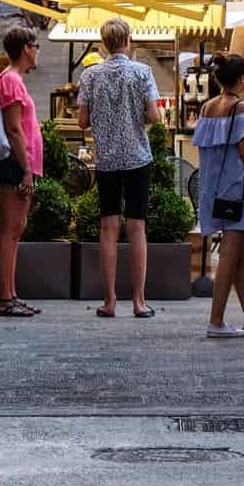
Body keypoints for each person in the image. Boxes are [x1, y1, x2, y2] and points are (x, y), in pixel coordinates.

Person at [76, 16, 160, 319]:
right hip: (137, 156)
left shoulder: (90, 76)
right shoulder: (143, 73)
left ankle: (109, 301)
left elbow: (82, 121)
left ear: (104, 43)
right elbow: (153, 116)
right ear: (128, 41)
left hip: (107, 159)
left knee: (108, 227)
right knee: (137, 226)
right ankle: (139, 301)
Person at [193, 53, 244, 338]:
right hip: (237, 188)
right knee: (230, 254)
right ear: (241, 78)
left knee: (240, 253)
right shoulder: (242, 108)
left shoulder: (206, 109)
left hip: (213, 189)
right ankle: (216, 321)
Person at [0, 25, 43, 317]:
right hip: (15, 162)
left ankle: (10, 294)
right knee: (10, 231)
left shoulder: (12, 79)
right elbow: (13, 128)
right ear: (26, 48)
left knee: (15, 229)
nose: (37, 52)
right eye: (36, 46)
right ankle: (5, 297)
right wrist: (25, 169)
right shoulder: (10, 80)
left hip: (19, 162)